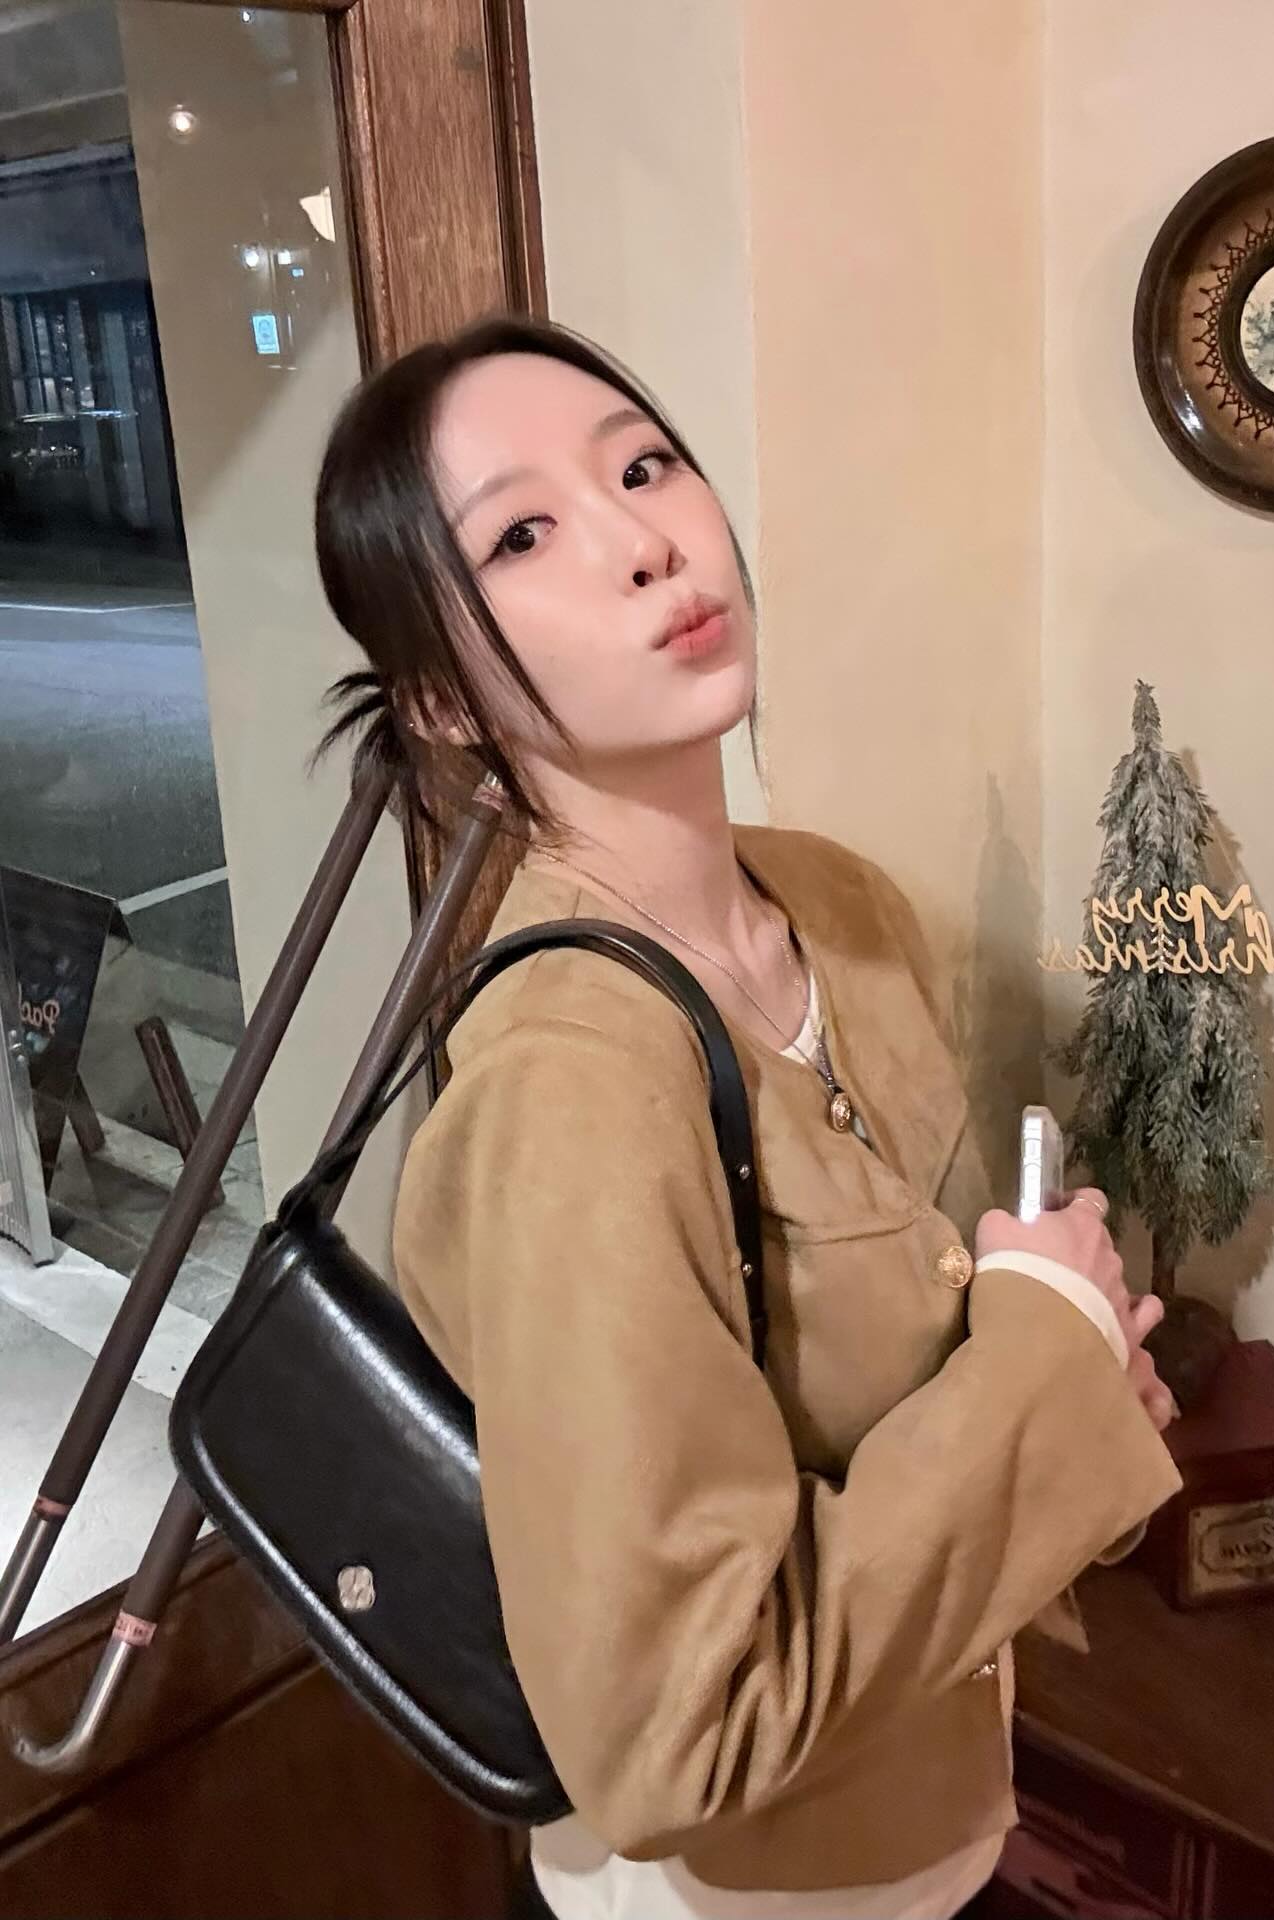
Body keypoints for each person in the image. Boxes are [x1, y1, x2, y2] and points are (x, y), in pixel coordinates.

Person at [312, 315, 1181, 1920]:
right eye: (522, 535)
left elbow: (921, 1362)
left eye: (644, 467)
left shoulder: (841, 905)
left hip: (933, 1789)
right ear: (439, 697)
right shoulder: (571, 1083)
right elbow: (679, 1731)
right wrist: (1045, 1363)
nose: (643, 542)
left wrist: (1060, 1348)